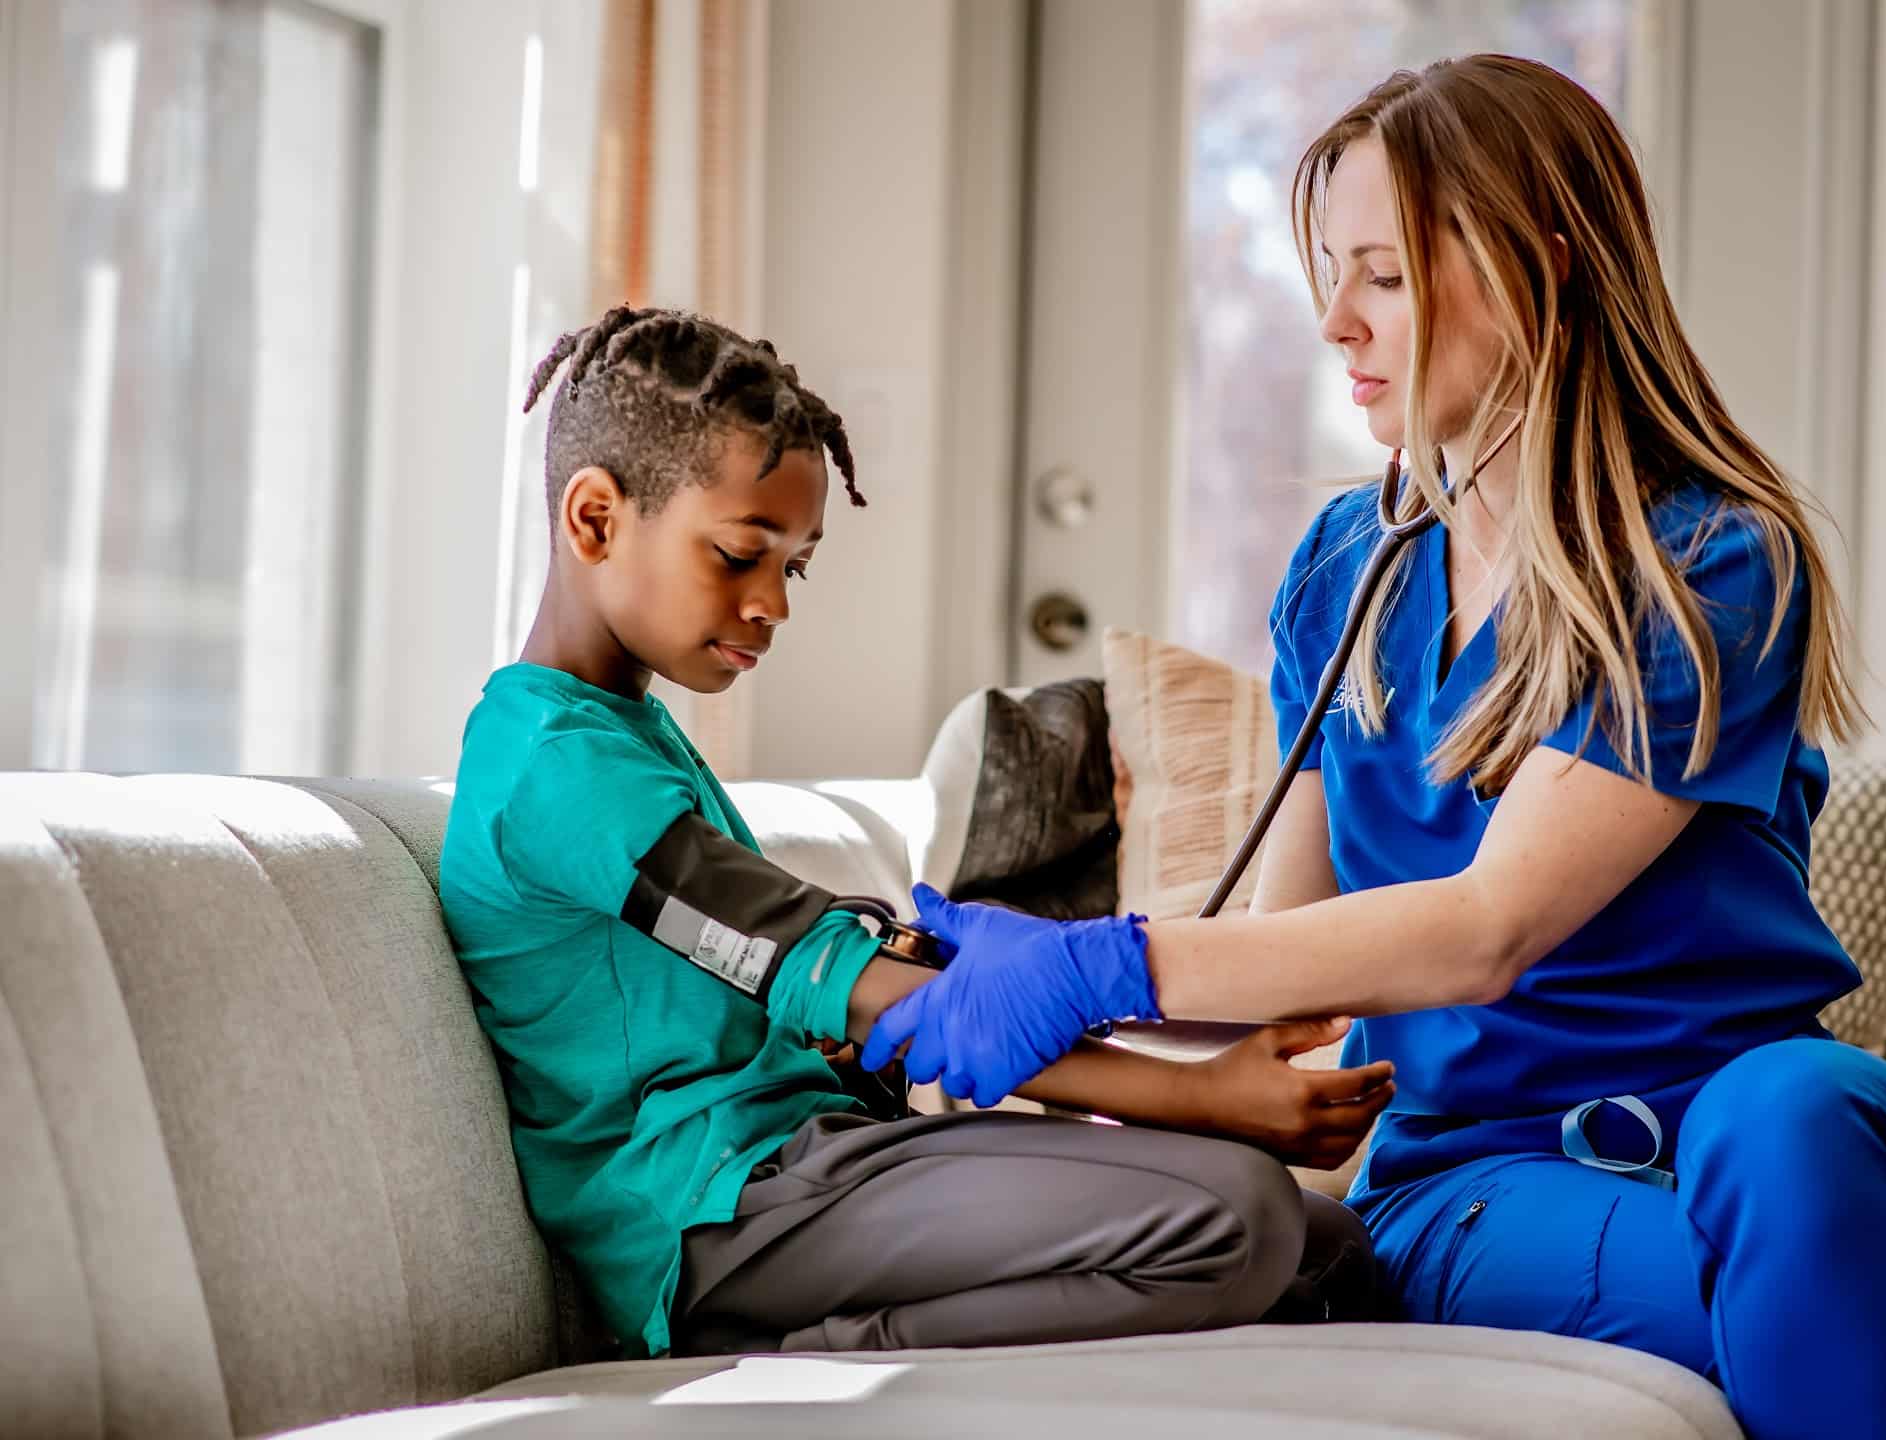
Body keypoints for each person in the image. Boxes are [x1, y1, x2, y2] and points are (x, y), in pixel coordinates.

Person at [865, 58, 1886, 1440]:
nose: (1334, 321)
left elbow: (1485, 928)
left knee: (1806, 1116)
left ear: (1538, 272)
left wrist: (1101, 959)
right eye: (1330, 272)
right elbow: (1298, 965)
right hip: (1484, 1179)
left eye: (1382, 275)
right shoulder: (1347, 571)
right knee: (1817, 1300)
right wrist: (1018, 986)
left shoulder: (1712, 564)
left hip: (1786, 1144)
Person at [436, 306, 1391, 1362]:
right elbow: (889, 998)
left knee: (1331, 1249)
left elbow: (867, 991)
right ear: (595, 519)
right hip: (713, 1214)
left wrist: (1189, 1088)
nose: (772, 607)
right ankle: (833, 1354)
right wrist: (1199, 1096)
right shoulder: (555, 770)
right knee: (1242, 1219)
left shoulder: (624, 732)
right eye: (741, 555)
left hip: (816, 1159)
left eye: (790, 569)